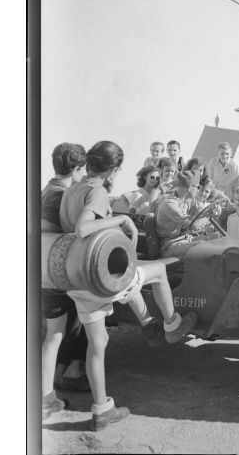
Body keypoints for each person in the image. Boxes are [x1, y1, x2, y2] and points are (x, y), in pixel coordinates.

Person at [59, 141, 197, 431]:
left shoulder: (71, 189)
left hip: (76, 278)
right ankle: (171, 325)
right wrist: (120, 218)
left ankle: (102, 410)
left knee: (97, 344)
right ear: (114, 168)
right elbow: (84, 228)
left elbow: (72, 230)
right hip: (100, 275)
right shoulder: (96, 191)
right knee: (158, 270)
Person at [42, 143, 89, 419]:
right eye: (83, 170)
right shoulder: (62, 195)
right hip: (56, 269)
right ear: (76, 169)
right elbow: (60, 228)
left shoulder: (48, 189)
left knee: (55, 333)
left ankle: (52, 389)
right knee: (83, 315)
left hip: (43, 268)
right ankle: (71, 373)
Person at [156, 170, 203, 258]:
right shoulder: (169, 203)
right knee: (201, 246)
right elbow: (193, 225)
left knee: (215, 237)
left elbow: (201, 211)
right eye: (197, 187)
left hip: (183, 239)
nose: (198, 190)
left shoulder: (189, 200)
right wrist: (209, 216)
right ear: (190, 188)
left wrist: (215, 210)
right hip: (169, 246)